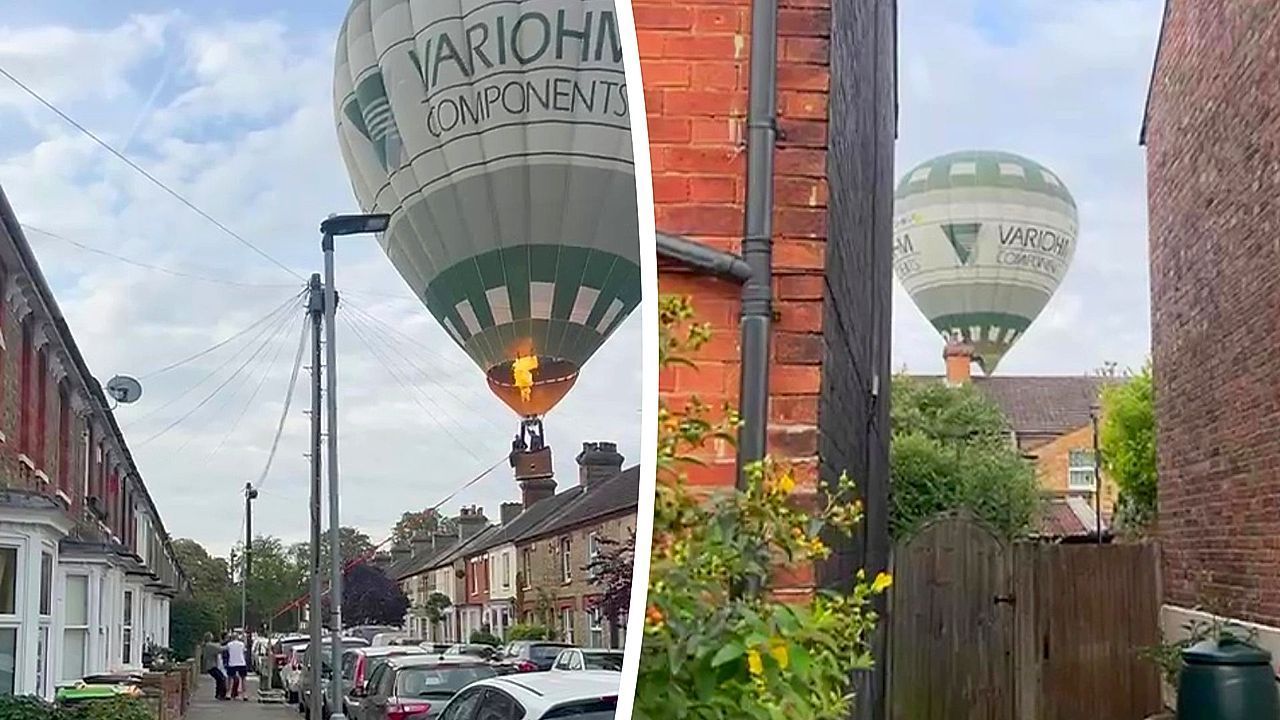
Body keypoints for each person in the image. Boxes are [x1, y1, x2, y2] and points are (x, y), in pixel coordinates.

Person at [200, 633, 227, 700]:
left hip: (210, 665)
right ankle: (221, 694)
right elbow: (221, 649)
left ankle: (218, 694)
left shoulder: (206, 645)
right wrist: (229, 645)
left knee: (219, 679)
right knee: (222, 678)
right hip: (212, 666)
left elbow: (217, 646)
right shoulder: (210, 646)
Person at [224, 632, 250, 701]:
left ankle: (229, 693)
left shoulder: (229, 644)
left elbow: (225, 651)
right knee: (243, 678)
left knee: (230, 678)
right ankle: (245, 694)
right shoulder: (242, 644)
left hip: (232, 663)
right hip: (241, 662)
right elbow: (244, 651)